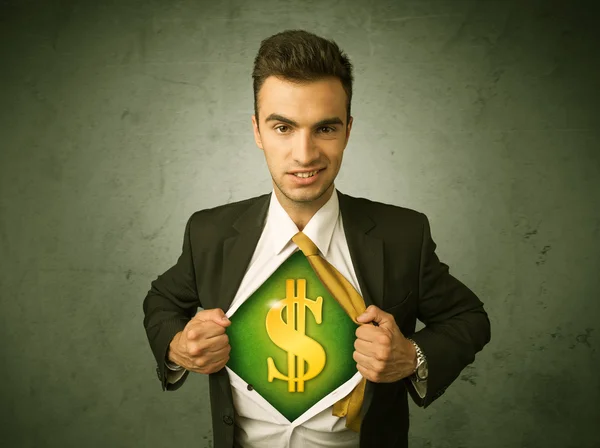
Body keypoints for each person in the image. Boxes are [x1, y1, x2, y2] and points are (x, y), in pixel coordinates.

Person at [142, 29, 491, 448]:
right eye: (283, 127)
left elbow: (469, 319)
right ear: (257, 131)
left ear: (347, 130)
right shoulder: (209, 232)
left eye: (324, 128)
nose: (305, 155)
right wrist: (178, 348)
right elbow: (161, 302)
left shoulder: (403, 235)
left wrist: (410, 357)